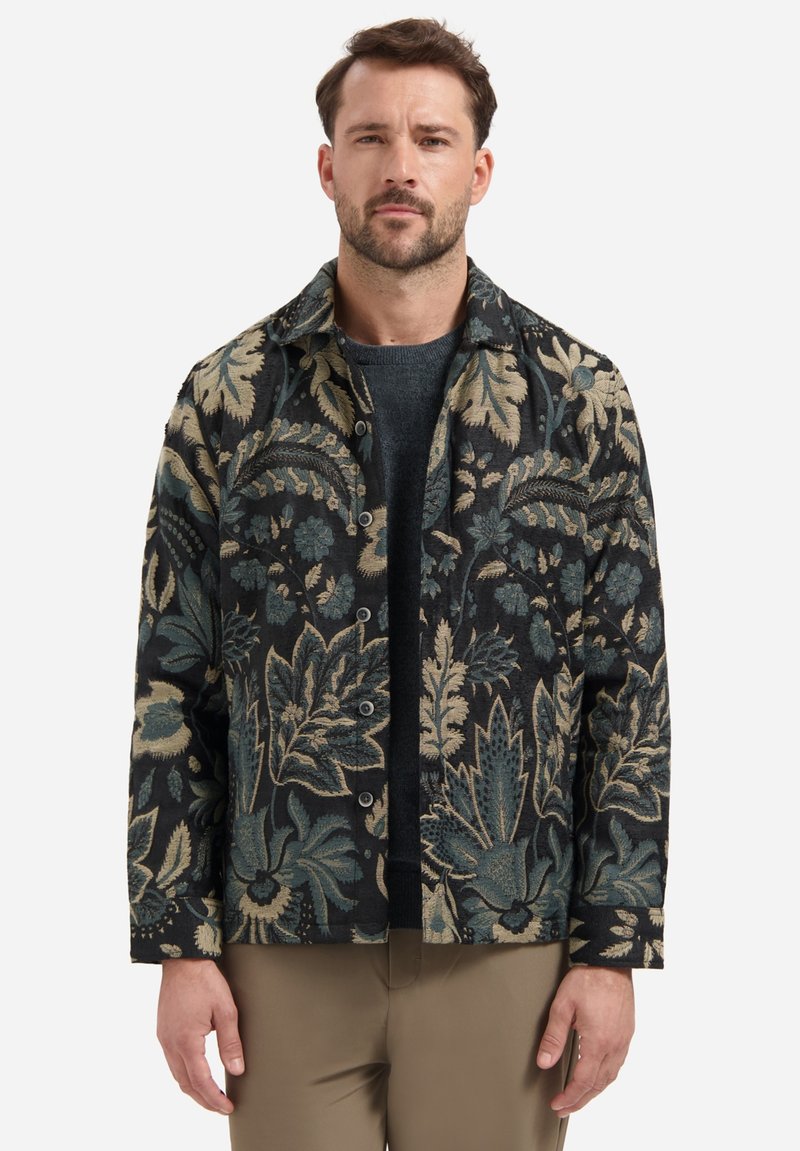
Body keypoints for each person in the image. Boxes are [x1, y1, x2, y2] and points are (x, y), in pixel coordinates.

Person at [127, 17, 671, 1151]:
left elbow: (628, 686)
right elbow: (175, 680)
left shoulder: (578, 398)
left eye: (432, 139)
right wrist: (177, 939)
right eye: (371, 137)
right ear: (328, 165)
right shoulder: (227, 398)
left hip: (505, 936)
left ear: (480, 170)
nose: (400, 167)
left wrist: (612, 946)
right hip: (284, 933)